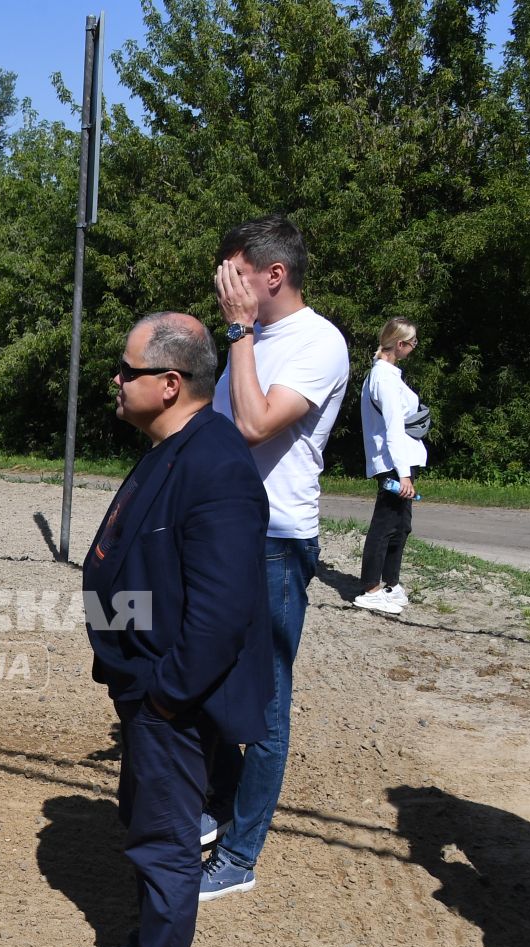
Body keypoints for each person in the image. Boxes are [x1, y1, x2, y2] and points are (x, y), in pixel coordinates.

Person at [58, 314, 271, 947]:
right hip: (143, 686)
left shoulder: (217, 465)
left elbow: (223, 610)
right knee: (144, 819)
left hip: (173, 696)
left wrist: (167, 696)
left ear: (170, 383)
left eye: (127, 371)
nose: (115, 382)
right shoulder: (173, 446)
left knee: (165, 838)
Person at [200, 214, 350, 901]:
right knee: (197, 678)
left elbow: (258, 426)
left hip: (276, 540)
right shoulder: (252, 341)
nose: (225, 285)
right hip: (224, 532)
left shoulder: (317, 344)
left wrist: (237, 334)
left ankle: (240, 854)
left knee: (264, 703)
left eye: (235, 272)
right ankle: (221, 802)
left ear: (273, 275)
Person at [353, 318, 427, 615]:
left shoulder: (390, 375)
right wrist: (404, 474)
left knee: (401, 525)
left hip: (400, 460)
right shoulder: (382, 378)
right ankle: (371, 588)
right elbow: (394, 429)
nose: (414, 347)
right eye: (413, 343)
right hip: (393, 463)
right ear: (400, 344)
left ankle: (390, 583)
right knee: (385, 524)